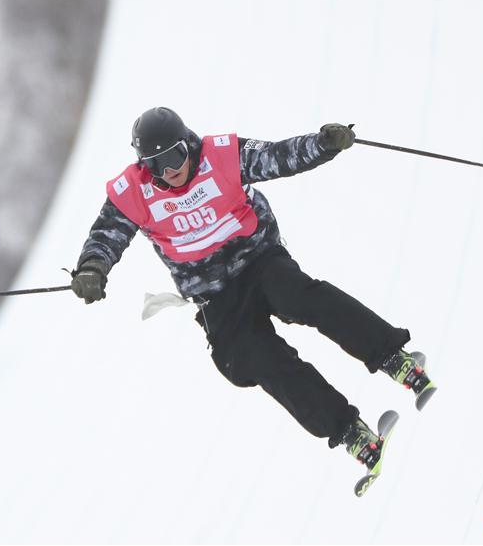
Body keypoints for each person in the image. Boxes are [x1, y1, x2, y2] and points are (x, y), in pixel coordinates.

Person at [71, 107, 436, 472]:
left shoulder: (221, 156)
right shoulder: (133, 190)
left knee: (296, 295)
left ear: (188, 144)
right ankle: (348, 431)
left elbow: (278, 157)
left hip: (257, 258)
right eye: (156, 164)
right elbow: (107, 235)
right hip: (212, 292)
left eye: (174, 156)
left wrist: (324, 144)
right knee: (250, 358)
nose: (169, 171)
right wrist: (92, 269)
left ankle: (390, 355)